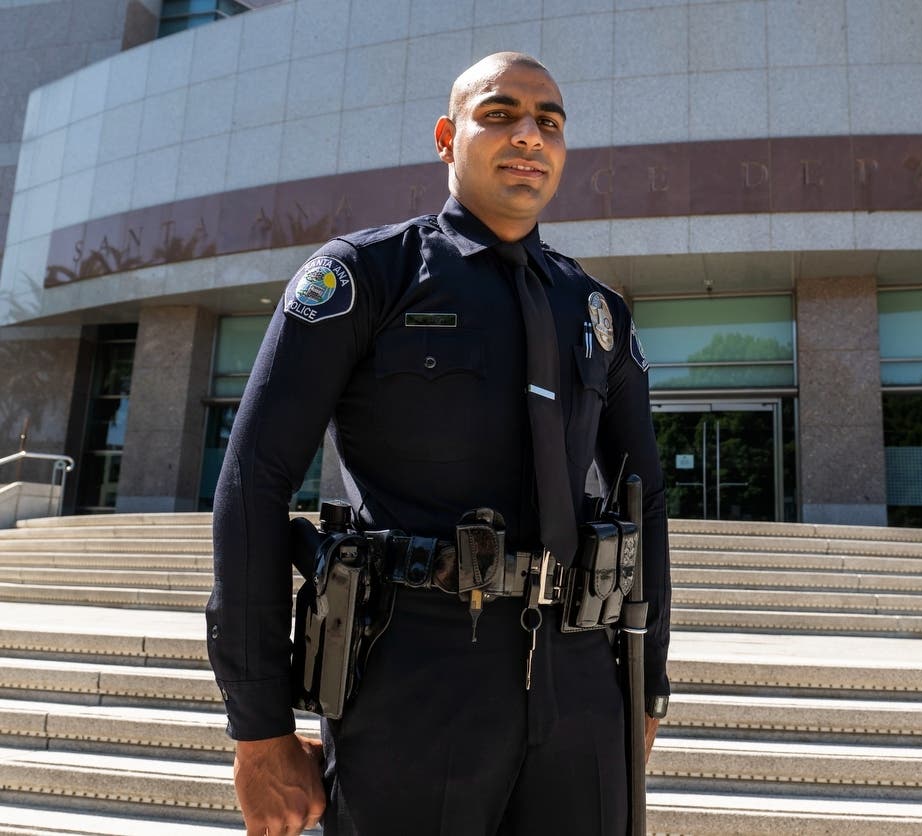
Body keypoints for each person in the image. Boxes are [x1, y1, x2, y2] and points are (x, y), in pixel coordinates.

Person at [206, 52, 670, 836]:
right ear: (447, 138)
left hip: (583, 680)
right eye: (500, 114)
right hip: (412, 673)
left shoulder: (595, 309)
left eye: (548, 122)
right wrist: (259, 730)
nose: (528, 135)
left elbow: (646, 497)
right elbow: (254, 481)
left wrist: (645, 686)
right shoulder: (363, 277)